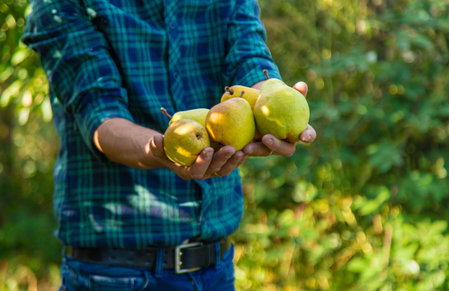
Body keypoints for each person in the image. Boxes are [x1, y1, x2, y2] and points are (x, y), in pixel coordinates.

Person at [22, 0, 316, 290]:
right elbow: (100, 117)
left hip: (216, 267)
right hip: (114, 274)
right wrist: (159, 150)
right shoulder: (62, 5)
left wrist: (271, 96)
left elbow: (249, 57)